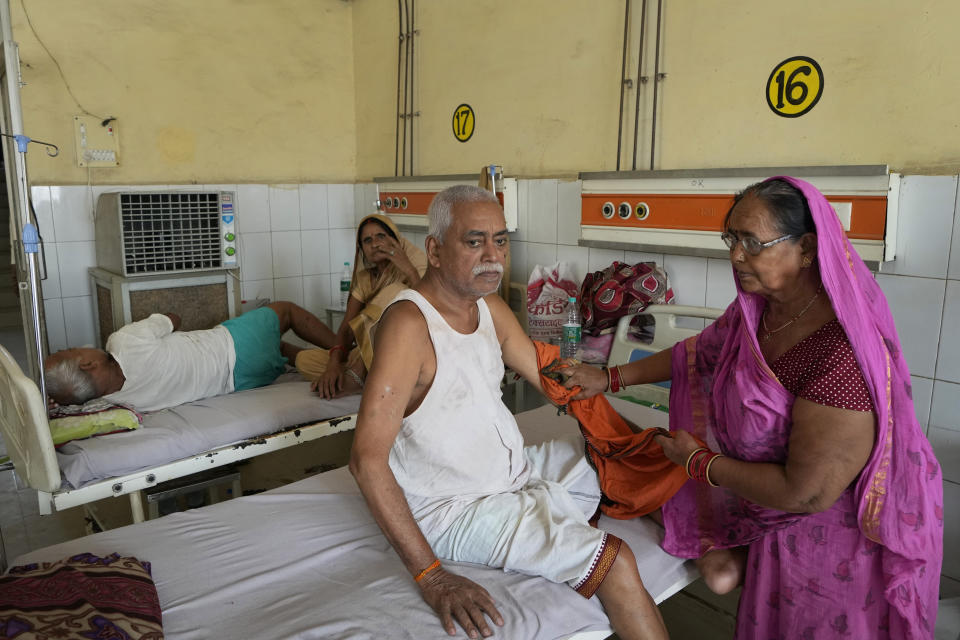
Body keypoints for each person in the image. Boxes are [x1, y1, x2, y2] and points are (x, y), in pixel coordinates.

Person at [562, 177, 944, 639]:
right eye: (732, 239)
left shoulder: (839, 354)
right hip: (771, 528)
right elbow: (696, 353)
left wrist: (698, 463)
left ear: (805, 247)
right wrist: (607, 378)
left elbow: (807, 493)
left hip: (832, 552)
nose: (736, 255)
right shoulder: (757, 311)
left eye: (752, 243)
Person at [349, 185, 668, 639]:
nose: (493, 256)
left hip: (511, 474)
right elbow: (366, 460)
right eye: (474, 241)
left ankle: (700, 541)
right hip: (454, 507)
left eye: (500, 240)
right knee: (616, 562)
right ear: (435, 250)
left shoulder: (490, 308)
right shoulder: (409, 325)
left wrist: (619, 415)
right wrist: (431, 576)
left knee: (628, 460)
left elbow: (552, 379)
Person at [44, 301, 336, 412]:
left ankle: (329, 365)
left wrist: (61, 397)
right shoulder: (123, 341)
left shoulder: (111, 402)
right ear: (88, 363)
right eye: (70, 350)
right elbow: (174, 317)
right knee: (284, 312)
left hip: (244, 379)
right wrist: (161, 321)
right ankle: (343, 351)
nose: (77, 346)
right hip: (233, 345)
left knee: (279, 350)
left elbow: (74, 401)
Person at [296, 213, 427, 398]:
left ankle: (357, 375)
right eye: (367, 240)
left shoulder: (413, 266)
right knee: (304, 360)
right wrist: (333, 365)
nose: (375, 244)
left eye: (381, 236)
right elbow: (346, 329)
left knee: (396, 291)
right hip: (367, 352)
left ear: (395, 239)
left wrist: (406, 266)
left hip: (401, 351)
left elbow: (429, 304)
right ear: (362, 250)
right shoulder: (365, 278)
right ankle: (361, 376)